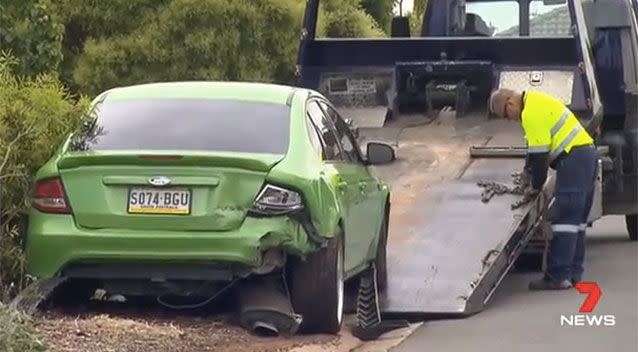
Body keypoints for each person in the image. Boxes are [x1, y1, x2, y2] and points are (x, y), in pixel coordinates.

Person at [489, 88, 598, 290]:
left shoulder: (530, 114)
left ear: (510, 103)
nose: (510, 120)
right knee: (577, 221)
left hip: (573, 161)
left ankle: (557, 276)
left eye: (506, 115)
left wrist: (535, 186)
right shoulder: (537, 101)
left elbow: (539, 157)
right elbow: (533, 152)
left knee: (564, 221)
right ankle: (573, 273)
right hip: (587, 156)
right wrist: (526, 173)